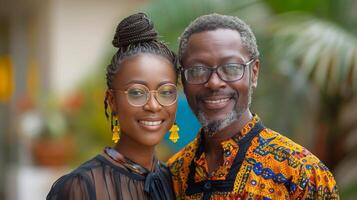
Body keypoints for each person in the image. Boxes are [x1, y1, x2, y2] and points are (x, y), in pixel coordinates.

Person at [167, 13, 339, 199]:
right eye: (198, 70)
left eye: (231, 68)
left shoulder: (302, 174)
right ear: (182, 80)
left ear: (254, 73)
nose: (214, 83)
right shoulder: (172, 174)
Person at [47, 13, 177, 200]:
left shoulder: (177, 182)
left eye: (165, 92)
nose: (153, 106)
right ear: (112, 101)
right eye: (137, 92)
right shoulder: (79, 188)